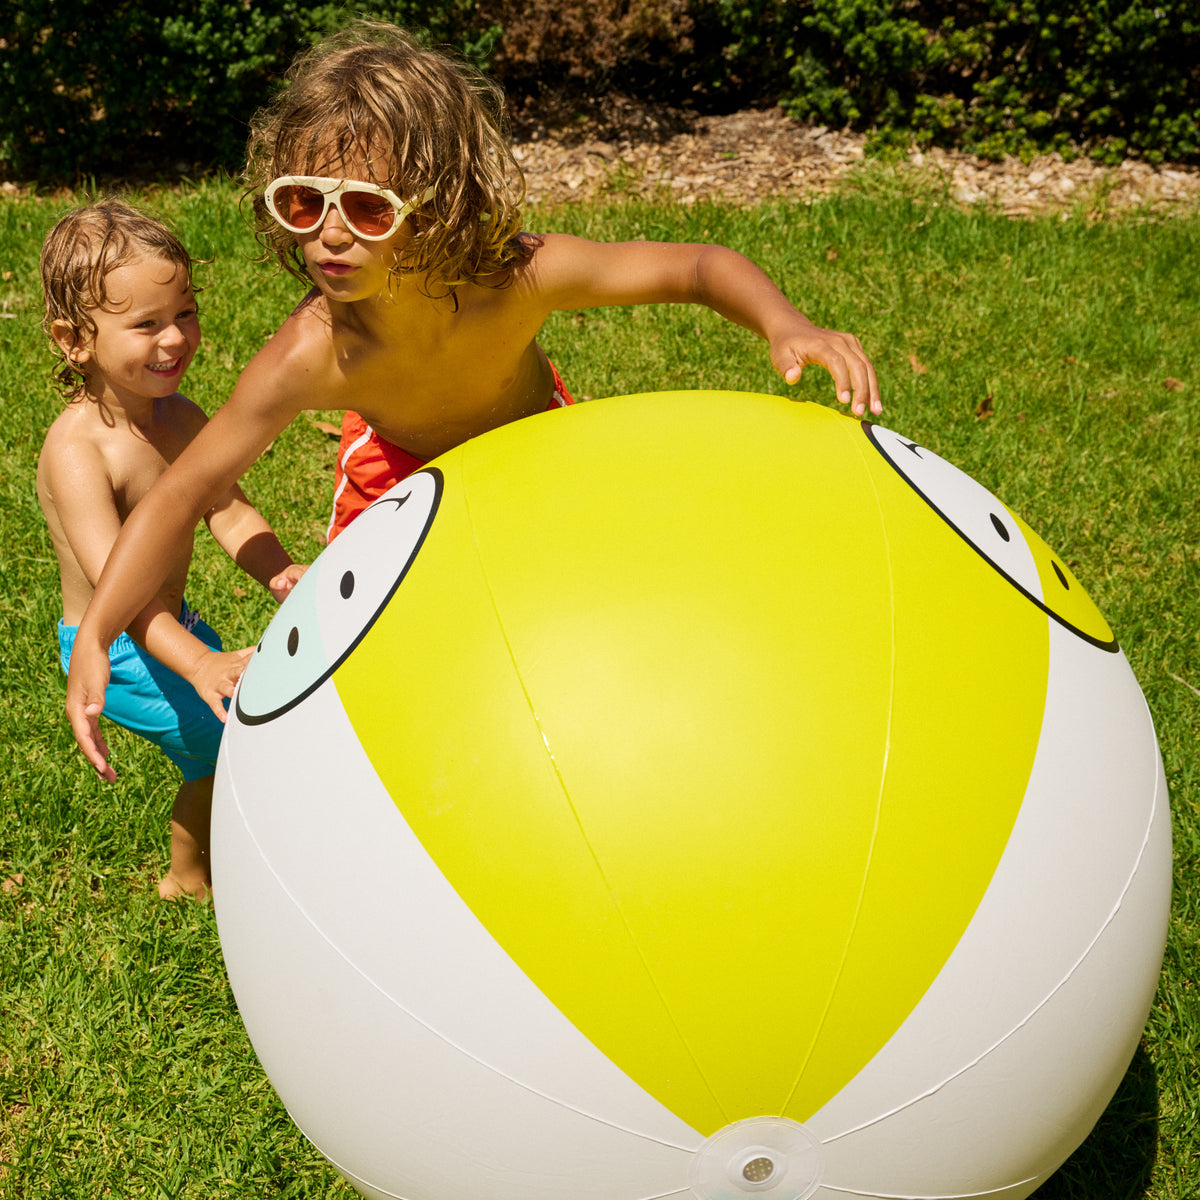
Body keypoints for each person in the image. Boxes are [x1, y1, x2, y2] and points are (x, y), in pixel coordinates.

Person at [65, 20, 881, 775]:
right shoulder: (316, 353)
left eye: (367, 207)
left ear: (439, 204)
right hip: (395, 481)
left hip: (533, 455)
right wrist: (100, 632)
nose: (329, 236)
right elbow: (183, 492)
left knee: (570, 624)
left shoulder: (517, 280)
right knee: (385, 663)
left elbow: (696, 267)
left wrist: (785, 324)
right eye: (305, 202)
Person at [38, 199, 305, 897]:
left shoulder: (179, 419)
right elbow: (118, 594)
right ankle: (188, 878)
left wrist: (278, 571)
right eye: (145, 324)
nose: (174, 339)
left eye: (184, 313)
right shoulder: (78, 452)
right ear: (74, 340)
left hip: (173, 629)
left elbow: (226, 506)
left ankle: (219, 858)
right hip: (117, 649)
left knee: (237, 738)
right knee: (225, 751)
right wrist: (200, 662)